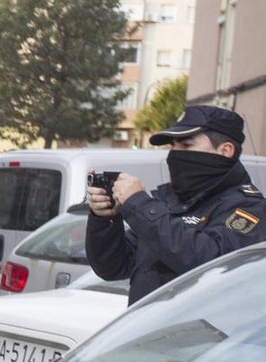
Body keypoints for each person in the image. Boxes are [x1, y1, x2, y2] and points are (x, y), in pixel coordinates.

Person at [86, 104, 266, 304]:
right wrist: (105, 219)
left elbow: (209, 263)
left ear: (225, 150)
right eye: (172, 146)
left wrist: (139, 204)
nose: (175, 154)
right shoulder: (169, 202)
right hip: (147, 330)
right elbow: (113, 267)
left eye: (186, 146)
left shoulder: (249, 208)